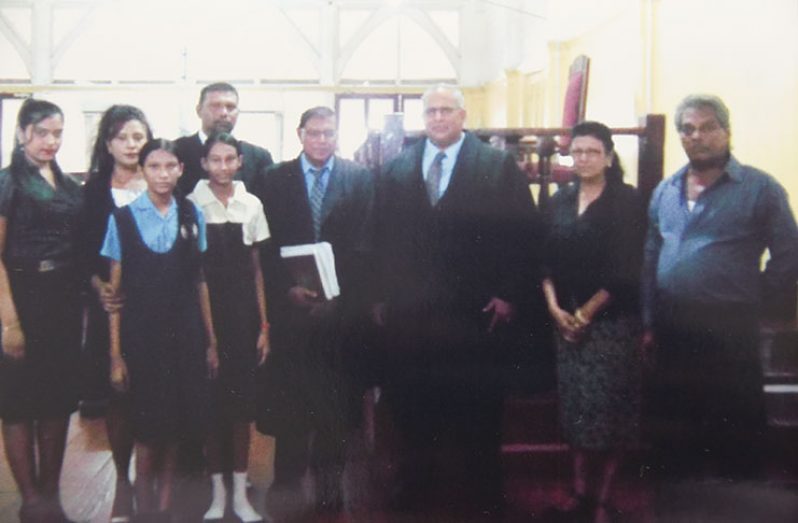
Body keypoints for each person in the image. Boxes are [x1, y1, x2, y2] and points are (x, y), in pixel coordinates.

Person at [371, 85, 541, 517]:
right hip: (414, 317)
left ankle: (482, 494)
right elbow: (381, 240)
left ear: (463, 115)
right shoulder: (398, 168)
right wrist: (381, 296)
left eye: (447, 110)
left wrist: (508, 293)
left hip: (475, 311)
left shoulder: (496, 165)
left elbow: (523, 234)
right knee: (414, 407)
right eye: (431, 111)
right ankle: (416, 488)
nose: (439, 118)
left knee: (478, 407)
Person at [642, 94, 798, 479]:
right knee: (678, 420)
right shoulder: (666, 190)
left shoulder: (759, 188)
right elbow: (649, 257)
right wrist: (649, 318)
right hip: (674, 321)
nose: (698, 136)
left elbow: (789, 252)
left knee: (734, 422)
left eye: (708, 127)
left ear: (726, 131)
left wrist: (761, 298)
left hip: (729, 322)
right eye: (688, 129)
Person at [252, 106, 375, 514]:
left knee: (336, 400)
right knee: (291, 397)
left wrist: (340, 297)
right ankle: (286, 480)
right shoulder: (273, 179)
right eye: (314, 133)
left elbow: (366, 244)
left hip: (341, 312)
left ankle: (329, 482)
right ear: (300, 135)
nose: (322, 140)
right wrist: (287, 290)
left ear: (338, 136)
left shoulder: (359, 179)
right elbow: (264, 247)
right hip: (291, 311)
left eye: (329, 134)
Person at [101, 139, 218, 520]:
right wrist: (116, 354)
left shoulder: (191, 213)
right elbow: (114, 295)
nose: (163, 174)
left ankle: (165, 507)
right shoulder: (122, 218)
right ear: (142, 170)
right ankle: (144, 507)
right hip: (142, 337)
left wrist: (211, 341)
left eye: (171, 166)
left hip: (185, 335)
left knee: (176, 427)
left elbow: (200, 281)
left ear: (182, 169)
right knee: (148, 429)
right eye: (154, 167)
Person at [541, 121, 645, 523]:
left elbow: (626, 268)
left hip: (610, 323)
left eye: (592, 152)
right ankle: (578, 493)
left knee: (608, 415)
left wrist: (586, 314)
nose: (583, 159)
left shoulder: (627, 202)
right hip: (564, 321)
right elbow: (543, 260)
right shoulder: (559, 200)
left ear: (609, 156)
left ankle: (601, 501)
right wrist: (554, 309)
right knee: (576, 413)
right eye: (577, 152)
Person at [0, 98, 82, 523]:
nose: (51, 141)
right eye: (42, 133)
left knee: (56, 400)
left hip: (64, 301)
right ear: (22, 134)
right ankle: (30, 499)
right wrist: (9, 322)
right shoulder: (7, 182)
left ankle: (51, 495)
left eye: (57, 133)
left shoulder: (68, 185)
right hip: (21, 296)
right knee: (17, 404)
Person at [188, 132, 270, 523]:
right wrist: (209, 338)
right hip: (202, 317)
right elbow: (195, 273)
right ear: (203, 164)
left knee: (240, 408)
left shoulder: (252, 204)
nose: (222, 167)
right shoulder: (190, 204)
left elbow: (257, 270)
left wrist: (265, 325)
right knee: (208, 407)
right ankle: (217, 494)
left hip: (243, 319)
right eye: (214, 160)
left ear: (240, 162)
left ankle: (241, 493)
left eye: (229, 159)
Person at [78, 104, 152, 523]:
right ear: (108, 143)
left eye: (138, 137)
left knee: (157, 398)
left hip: (158, 309)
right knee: (118, 396)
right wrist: (99, 287)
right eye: (122, 137)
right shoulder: (92, 191)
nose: (130, 145)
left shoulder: (164, 180)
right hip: (112, 310)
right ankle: (123, 484)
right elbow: (83, 254)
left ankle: (152, 484)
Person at [175, 82, 273, 195]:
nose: (224, 113)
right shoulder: (176, 153)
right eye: (215, 106)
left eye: (230, 107)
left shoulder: (257, 157)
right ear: (199, 110)